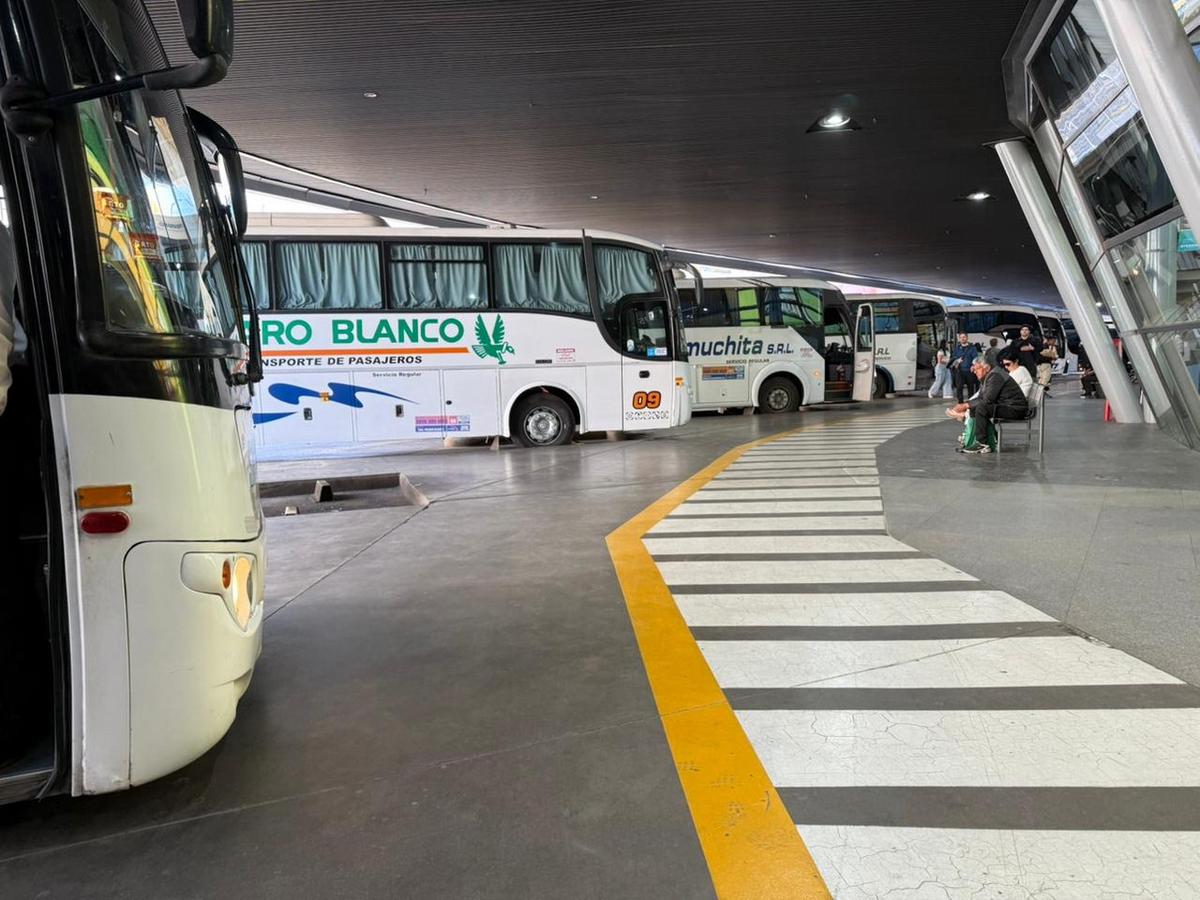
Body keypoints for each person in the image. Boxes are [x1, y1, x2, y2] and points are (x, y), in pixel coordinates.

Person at [947, 354, 1028, 454]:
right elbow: (980, 397)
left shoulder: (995, 376)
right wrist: (966, 405)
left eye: (977, 369)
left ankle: (983, 444)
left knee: (982, 407)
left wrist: (965, 406)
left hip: (1015, 409)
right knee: (975, 407)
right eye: (974, 369)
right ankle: (973, 440)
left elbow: (988, 399)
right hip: (1007, 406)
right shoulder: (988, 376)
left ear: (987, 368)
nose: (974, 371)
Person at [949, 332, 978, 402]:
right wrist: (956, 361)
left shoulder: (972, 348)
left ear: (967, 338)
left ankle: (970, 403)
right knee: (959, 388)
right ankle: (960, 403)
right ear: (959, 339)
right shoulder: (957, 349)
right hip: (959, 371)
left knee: (971, 388)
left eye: (964, 337)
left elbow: (975, 358)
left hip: (969, 371)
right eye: (961, 337)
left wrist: (973, 365)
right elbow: (952, 359)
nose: (962, 339)